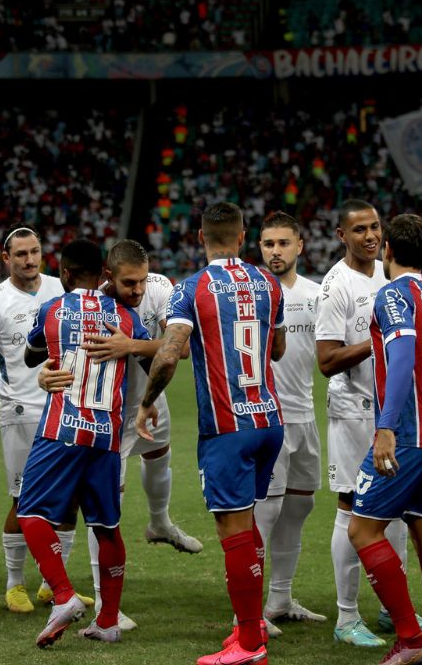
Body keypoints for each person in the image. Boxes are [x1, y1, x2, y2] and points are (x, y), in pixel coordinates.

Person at [132, 201, 286, 665]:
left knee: (233, 529)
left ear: (201, 237)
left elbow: (169, 352)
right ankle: (251, 625)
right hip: (269, 421)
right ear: (243, 237)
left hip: (226, 426)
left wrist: (145, 404)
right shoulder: (268, 282)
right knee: (249, 523)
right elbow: (276, 349)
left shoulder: (190, 289)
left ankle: (249, 645)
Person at [17, 239, 151, 648]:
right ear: (106, 274)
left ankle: (62, 595)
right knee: (107, 526)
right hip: (107, 435)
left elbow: (30, 354)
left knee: (31, 513)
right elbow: (164, 354)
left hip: (63, 429)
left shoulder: (53, 309)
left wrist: (44, 372)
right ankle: (108, 620)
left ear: (65, 273)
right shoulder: (125, 318)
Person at [347, 213, 422, 665]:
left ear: (389, 249)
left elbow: (401, 359)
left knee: (362, 528)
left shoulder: (393, 294)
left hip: (411, 430)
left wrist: (386, 427)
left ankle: (411, 638)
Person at [317, 199, 422, 647]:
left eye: (375, 227)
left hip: (390, 414)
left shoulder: (391, 276)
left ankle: (390, 608)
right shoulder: (335, 286)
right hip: (352, 411)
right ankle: (346, 618)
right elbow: (326, 361)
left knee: (395, 509)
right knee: (350, 507)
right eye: (359, 229)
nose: (370, 235)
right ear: (342, 236)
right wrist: (378, 339)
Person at [77, 239, 200, 632]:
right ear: (108, 277)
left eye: (143, 280)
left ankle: (159, 523)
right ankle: (103, 603)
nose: (139, 290)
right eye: (130, 283)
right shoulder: (91, 303)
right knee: (106, 504)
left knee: (159, 451)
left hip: (148, 396)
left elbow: (178, 349)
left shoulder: (162, 288)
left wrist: (129, 345)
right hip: (106, 410)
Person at [0, 225, 79, 613]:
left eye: (34, 251)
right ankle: (15, 585)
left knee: (67, 500)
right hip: (20, 410)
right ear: (5, 258)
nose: (29, 260)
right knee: (23, 499)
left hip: (66, 407)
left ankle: (54, 583)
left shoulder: (61, 290)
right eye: (20, 254)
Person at [254, 212, 326, 626]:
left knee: (300, 507)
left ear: (300, 245)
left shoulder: (318, 295)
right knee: (265, 511)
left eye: (283, 243)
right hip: (267, 419)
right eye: (268, 244)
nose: (276, 251)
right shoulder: (252, 294)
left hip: (305, 415)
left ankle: (280, 600)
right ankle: (247, 611)